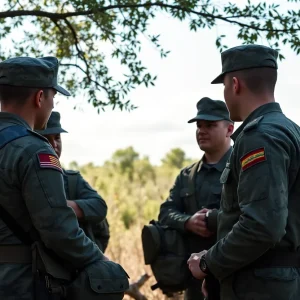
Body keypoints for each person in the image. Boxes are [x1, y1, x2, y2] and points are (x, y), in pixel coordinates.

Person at [188, 44, 300, 300]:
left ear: (235, 84)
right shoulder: (291, 130)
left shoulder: (259, 137)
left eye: (225, 87)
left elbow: (262, 225)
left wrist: (208, 263)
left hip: (260, 286)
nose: (226, 95)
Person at [0, 56, 106, 299]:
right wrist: (100, 261)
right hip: (20, 283)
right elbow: (58, 229)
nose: (52, 105)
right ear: (39, 97)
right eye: (53, 98)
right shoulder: (33, 149)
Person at [158, 97, 234, 300]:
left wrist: (213, 218)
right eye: (199, 125)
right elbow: (165, 213)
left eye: (210, 125)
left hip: (234, 276)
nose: (202, 130)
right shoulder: (187, 176)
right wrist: (188, 222)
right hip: (195, 279)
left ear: (229, 130)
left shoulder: (242, 169)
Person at [37, 111, 110, 252]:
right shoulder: (22, 174)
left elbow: (99, 206)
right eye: (46, 138)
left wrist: (61, 207)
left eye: (57, 138)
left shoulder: (71, 179)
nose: (54, 145)